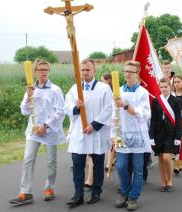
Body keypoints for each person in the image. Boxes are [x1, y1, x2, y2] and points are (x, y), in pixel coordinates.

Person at [9, 59, 65, 206]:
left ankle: (49, 188)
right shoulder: (31, 89)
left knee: (51, 160)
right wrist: (28, 96)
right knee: (28, 159)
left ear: (49, 71)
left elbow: (60, 112)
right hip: (33, 131)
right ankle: (26, 192)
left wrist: (45, 125)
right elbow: (24, 110)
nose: (44, 72)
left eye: (46, 69)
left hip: (49, 130)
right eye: (41, 70)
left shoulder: (55, 89)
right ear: (35, 71)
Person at [65, 59, 113, 209]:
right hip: (80, 132)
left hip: (96, 132)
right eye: (82, 70)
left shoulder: (104, 88)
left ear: (94, 71)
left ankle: (96, 192)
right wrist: (76, 108)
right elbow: (66, 107)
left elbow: (108, 108)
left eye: (88, 70)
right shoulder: (75, 88)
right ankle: (78, 195)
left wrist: (94, 125)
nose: (85, 72)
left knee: (98, 164)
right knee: (78, 164)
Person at [113, 61, 152, 211]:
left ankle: (133, 197)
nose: (127, 74)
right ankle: (125, 192)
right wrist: (112, 134)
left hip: (137, 134)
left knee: (137, 168)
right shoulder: (118, 91)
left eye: (131, 71)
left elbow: (145, 113)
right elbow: (113, 115)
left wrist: (126, 106)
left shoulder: (142, 92)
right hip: (121, 134)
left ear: (137, 74)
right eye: (125, 71)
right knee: (121, 166)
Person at [150, 78, 182, 192]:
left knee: (167, 157)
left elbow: (178, 120)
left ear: (170, 87)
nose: (163, 89)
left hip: (171, 133)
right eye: (161, 87)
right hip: (159, 133)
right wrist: (151, 136)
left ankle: (170, 181)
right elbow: (153, 119)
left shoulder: (176, 101)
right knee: (160, 158)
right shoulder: (156, 101)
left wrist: (178, 136)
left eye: (166, 87)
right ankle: (163, 182)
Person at [84, 73, 113, 188]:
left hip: (113, 126)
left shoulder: (114, 92)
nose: (101, 83)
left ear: (109, 81)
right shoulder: (96, 92)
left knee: (115, 148)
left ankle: (110, 163)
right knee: (92, 153)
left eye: (104, 81)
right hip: (101, 125)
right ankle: (90, 178)